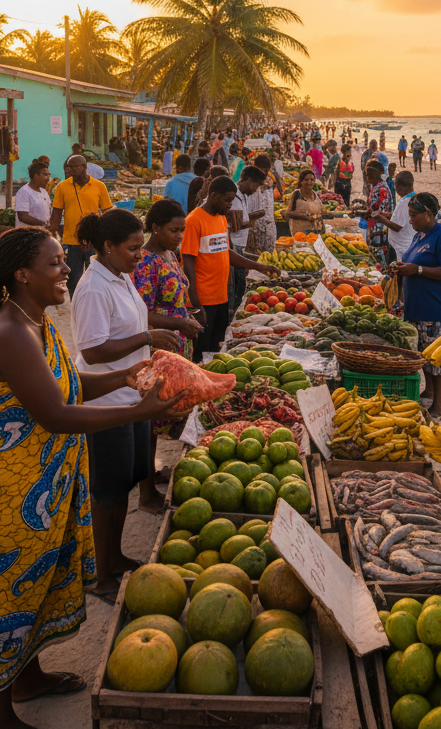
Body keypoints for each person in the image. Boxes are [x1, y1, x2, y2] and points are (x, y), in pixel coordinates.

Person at [0, 227, 186, 728]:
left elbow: (70, 381)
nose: (66, 269)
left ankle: (27, 676)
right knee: (10, 590)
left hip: (42, 476)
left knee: (39, 579)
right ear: (22, 275)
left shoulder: (34, 320)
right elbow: (57, 413)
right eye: (55, 263)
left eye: (65, 260)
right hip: (9, 484)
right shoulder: (11, 332)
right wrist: (135, 411)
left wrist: (127, 378)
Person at [70, 209, 182, 601]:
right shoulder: (93, 288)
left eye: (139, 247)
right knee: (106, 492)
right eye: (133, 249)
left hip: (133, 395)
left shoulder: (120, 275)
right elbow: (94, 349)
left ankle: (115, 558)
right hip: (107, 402)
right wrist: (147, 337)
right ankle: (102, 577)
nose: (139, 255)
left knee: (123, 487)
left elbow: (132, 323)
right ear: (108, 246)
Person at [133, 199, 204, 511]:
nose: (179, 235)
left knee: (167, 415)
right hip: (158, 347)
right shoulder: (144, 262)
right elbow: (142, 312)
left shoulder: (169, 254)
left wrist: (189, 314)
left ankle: (152, 472)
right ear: (155, 228)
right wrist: (178, 322)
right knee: (149, 417)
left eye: (182, 230)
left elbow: (176, 296)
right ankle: (146, 492)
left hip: (177, 343)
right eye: (174, 230)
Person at [182, 176, 277, 357]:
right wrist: (196, 304)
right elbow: (188, 265)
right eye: (227, 200)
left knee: (215, 351)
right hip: (203, 300)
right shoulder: (194, 221)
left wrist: (259, 267)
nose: (230, 205)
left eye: (232, 200)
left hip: (221, 297)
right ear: (214, 196)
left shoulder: (220, 218)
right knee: (200, 352)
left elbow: (226, 252)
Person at [391, 192, 441, 415]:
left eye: (414, 215)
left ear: (429, 214)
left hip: (436, 308)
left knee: (437, 358)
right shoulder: (418, 236)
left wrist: (418, 270)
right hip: (417, 306)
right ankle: (428, 391)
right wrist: (401, 267)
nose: (410, 220)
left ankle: (438, 404)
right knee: (424, 354)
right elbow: (413, 261)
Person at [48, 154, 113, 297]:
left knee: (96, 276)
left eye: (74, 167)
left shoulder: (99, 186)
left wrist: (107, 235)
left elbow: (107, 212)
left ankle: (96, 302)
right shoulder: (62, 187)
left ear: (84, 168)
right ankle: (76, 305)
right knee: (73, 279)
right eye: (69, 167)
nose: (71, 170)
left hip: (94, 240)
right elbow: (57, 212)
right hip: (71, 240)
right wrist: (51, 232)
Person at [228, 167, 267, 311]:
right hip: (234, 247)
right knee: (237, 286)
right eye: (255, 185)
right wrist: (253, 219)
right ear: (248, 180)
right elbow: (234, 226)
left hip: (240, 246)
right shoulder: (234, 198)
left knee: (241, 285)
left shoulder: (243, 196)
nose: (256, 189)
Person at [362, 160, 393, 271]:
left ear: (379, 173)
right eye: (366, 174)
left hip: (380, 233)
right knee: (375, 260)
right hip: (373, 230)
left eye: (370, 174)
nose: (368, 176)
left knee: (380, 261)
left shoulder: (382, 188)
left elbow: (385, 213)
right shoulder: (375, 187)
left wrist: (370, 214)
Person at [248, 154, 278, 256]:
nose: (264, 172)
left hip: (268, 223)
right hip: (257, 223)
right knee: (258, 255)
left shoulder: (267, 180)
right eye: (263, 169)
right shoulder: (251, 181)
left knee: (268, 255)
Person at [283, 169, 323, 236]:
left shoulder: (315, 195)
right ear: (301, 181)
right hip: (299, 233)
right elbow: (288, 213)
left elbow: (321, 212)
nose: (309, 182)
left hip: (314, 232)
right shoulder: (296, 194)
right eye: (306, 180)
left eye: (312, 180)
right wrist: (303, 216)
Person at [14, 160, 52, 229]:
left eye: (49, 175)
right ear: (35, 176)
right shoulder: (24, 192)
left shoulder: (44, 192)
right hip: (27, 234)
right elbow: (23, 216)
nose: (48, 178)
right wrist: (43, 223)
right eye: (45, 174)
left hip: (42, 233)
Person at [389, 170, 416, 261]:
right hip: (407, 244)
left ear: (400, 186)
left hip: (401, 247)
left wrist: (381, 219)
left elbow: (397, 227)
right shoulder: (413, 198)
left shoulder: (405, 202)